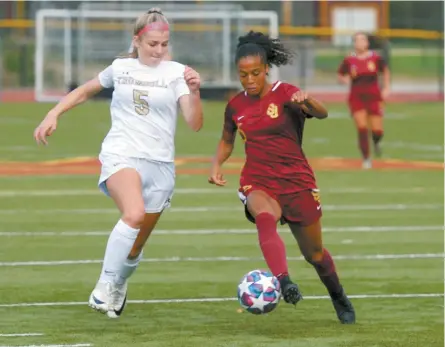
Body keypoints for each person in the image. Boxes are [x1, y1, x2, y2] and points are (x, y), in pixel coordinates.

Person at [33, 8, 203, 318]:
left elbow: (194, 122)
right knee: (134, 213)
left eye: (164, 44)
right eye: (153, 44)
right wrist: (53, 113)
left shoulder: (177, 73)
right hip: (121, 154)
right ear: (137, 40)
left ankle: (119, 284)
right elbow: (85, 90)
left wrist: (194, 91)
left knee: (135, 246)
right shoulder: (120, 68)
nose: (159, 50)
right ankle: (104, 285)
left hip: (161, 166)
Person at [208, 31, 355, 324]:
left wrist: (308, 100)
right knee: (264, 215)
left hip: (296, 181)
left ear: (266, 69)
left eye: (255, 73)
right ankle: (283, 280)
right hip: (258, 178)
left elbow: (322, 114)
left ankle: (338, 295)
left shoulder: (286, 92)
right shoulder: (235, 106)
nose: (249, 79)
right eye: (243, 74)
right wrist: (216, 164)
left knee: (315, 255)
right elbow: (227, 139)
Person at [337, 32, 391, 169]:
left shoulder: (376, 58)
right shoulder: (349, 60)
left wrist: (386, 88)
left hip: (374, 96)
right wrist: (345, 79)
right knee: (362, 127)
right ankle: (366, 158)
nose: (360, 43)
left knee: (377, 129)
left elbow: (385, 71)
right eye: (357, 40)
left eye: (362, 40)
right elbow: (340, 75)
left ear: (367, 43)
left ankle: (376, 142)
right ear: (354, 44)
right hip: (356, 97)